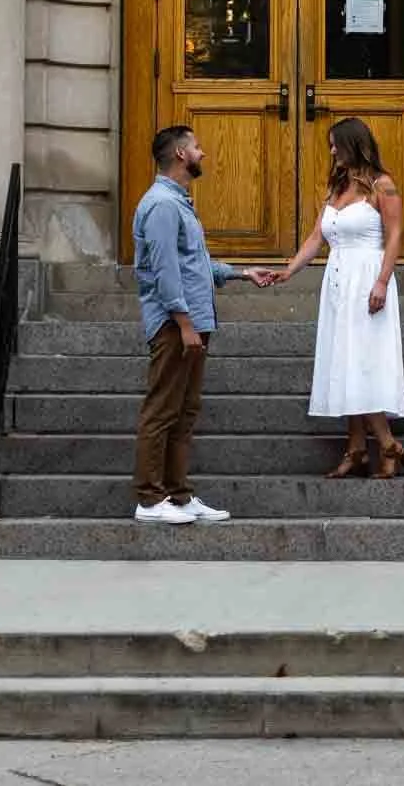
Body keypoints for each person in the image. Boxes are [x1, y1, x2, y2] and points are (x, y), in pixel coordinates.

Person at [131, 125, 273, 524]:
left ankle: (178, 495)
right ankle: (149, 499)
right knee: (162, 410)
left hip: (191, 321)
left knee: (185, 411)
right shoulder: (161, 205)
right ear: (180, 154)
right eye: (196, 146)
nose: (202, 152)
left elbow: (192, 265)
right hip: (176, 324)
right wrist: (184, 324)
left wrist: (241, 273)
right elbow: (163, 271)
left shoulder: (178, 204)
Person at [271, 118, 404, 479]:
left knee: (361, 361)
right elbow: (317, 238)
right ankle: (360, 449)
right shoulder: (337, 188)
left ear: (354, 145)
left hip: (368, 280)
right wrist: (289, 270)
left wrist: (381, 281)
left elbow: (395, 237)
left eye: (336, 145)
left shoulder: (384, 185)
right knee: (346, 360)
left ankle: (386, 444)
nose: (332, 151)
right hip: (337, 283)